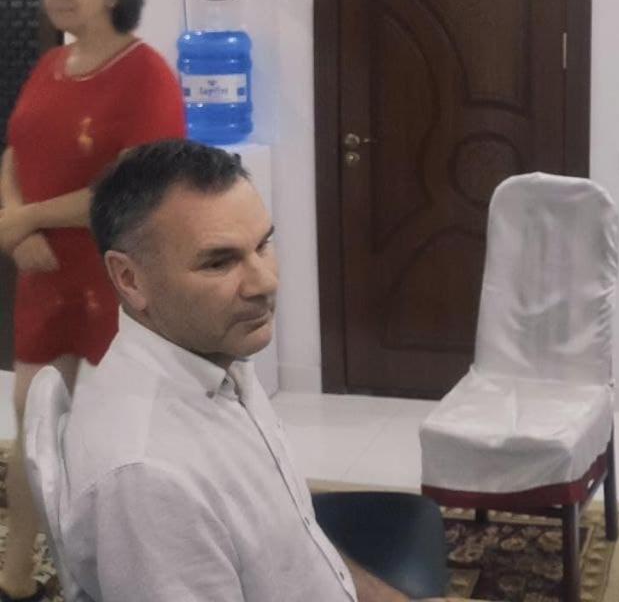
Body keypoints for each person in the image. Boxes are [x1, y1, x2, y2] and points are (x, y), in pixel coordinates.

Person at [61, 139, 440, 601]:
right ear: (129, 278)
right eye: (219, 262)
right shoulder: (148, 480)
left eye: (263, 244)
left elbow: (296, 536)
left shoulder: (213, 352)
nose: (265, 282)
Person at [0, 0, 186, 602]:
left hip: (118, 274)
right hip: (46, 272)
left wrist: (25, 218)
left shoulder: (146, 72)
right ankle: (16, 574)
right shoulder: (50, 64)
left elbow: (131, 187)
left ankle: (126, 575)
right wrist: (15, 224)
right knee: (33, 426)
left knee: (115, 438)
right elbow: (14, 152)